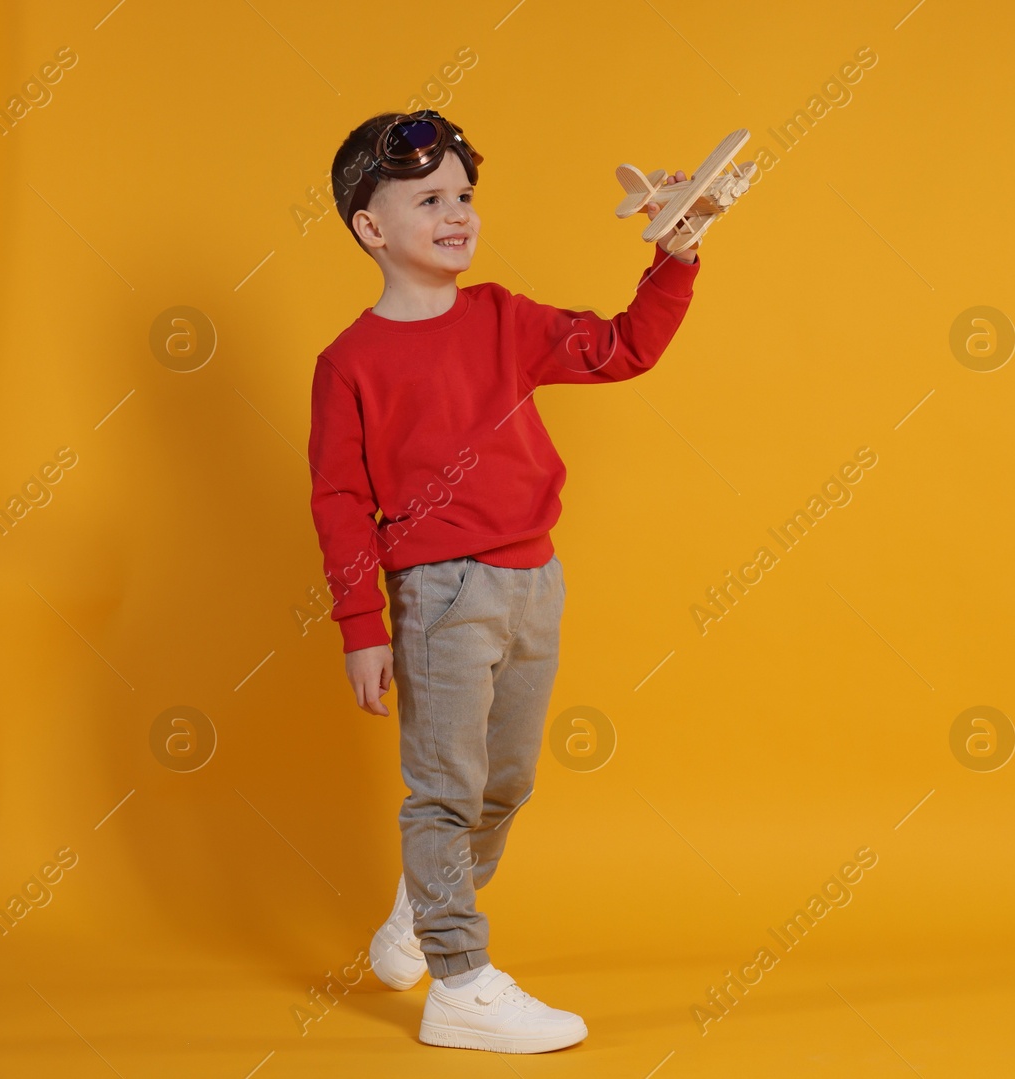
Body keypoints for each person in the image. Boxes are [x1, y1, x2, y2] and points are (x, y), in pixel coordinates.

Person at [307, 109, 701, 1054]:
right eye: (430, 198)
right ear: (372, 227)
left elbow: (622, 349)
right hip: (440, 596)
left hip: (534, 580)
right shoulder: (348, 362)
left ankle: (420, 906)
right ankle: (459, 980)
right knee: (442, 790)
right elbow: (337, 500)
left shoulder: (503, 318)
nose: (457, 213)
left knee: (504, 785)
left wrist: (675, 258)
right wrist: (362, 624)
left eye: (465, 197)